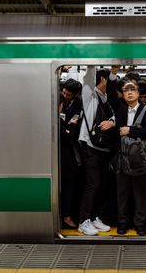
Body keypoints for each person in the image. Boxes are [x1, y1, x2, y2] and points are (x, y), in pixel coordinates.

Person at [113, 80, 146, 236]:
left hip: (140, 159)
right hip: (122, 158)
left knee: (140, 194)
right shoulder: (120, 109)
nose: (129, 93)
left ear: (138, 93)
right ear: (123, 95)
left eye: (133, 90)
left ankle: (140, 224)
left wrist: (129, 130)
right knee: (122, 194)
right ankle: (123, 224)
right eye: (126, 91)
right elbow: (116, 130)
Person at [77, 67, 116, 235]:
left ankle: (93, 217)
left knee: (101, 185)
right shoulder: (89, 96)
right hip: (90, 146)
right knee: (92, 185)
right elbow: (88, 78)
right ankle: (83, 220)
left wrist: (113, 122)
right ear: (103, 80)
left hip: (102, 147)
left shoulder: (106, 99)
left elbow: (115, 115)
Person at [59, 78, 83, 229]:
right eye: (64, 93)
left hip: (69, 152)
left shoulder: (78, 105)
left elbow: (71, 131)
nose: (65, 96)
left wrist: (68, 127)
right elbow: (68, 133)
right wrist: (68, 128)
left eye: (68, 95)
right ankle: (65, 215)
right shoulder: (59, 111)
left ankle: (67, 214)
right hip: (64, 153)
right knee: (67, 185)